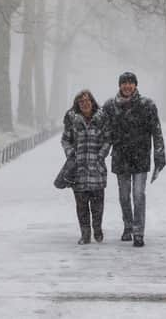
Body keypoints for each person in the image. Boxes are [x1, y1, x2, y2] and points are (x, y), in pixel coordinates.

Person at [102, 72, 166, 247]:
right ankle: (128, 226)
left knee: (138, 195)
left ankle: (139, 232)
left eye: (131, 83)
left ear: (136, 85)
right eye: (124, 83)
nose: (127, 86)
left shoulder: (147, 105)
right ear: (119, 85)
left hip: (140, 156)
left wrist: (159, 155)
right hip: (121, 156)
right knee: (124, 196)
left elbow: (157, 132)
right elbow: (102, 129)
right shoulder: (110, 106)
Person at [61, 89, 111, 244]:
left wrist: (101, 155)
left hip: (97, 170)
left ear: (92, 102)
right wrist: (70, 153)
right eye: (81, 101)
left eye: (87, 100)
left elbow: (108, 139)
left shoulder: (101, 119)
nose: (85, 104)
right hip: (79, 169)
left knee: (97, 206)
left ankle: (97, 229)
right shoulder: (73, 120)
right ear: (77, 104)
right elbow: (65, 140)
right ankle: (85, 234)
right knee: (81, 206)